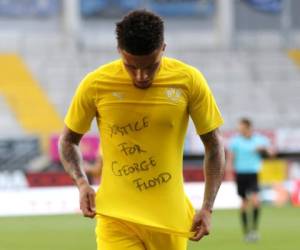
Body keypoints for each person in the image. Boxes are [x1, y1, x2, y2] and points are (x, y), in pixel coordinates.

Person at [58, 10, 225, 250]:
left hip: (169, 218)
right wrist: (82, 182)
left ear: (163, 48)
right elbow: (67, 141)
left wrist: (207, 207)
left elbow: (214, 144)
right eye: (131, 66)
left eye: (151, 66)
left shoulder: (189, 81)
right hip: (116, 218)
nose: (141, 75)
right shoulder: (96, 84)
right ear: (119, 51)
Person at [226, 118, 275, 242]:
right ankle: (246, 232)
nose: (239, 129)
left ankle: (254, 230)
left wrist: (263, 150)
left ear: (248, 127)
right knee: (244, 203)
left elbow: (271, 153)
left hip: (253, 173)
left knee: (256, 201)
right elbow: (231, 158)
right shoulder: (235, 141)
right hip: (241, 174)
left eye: (241, 127)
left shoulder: (259, 139)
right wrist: (228, 172)